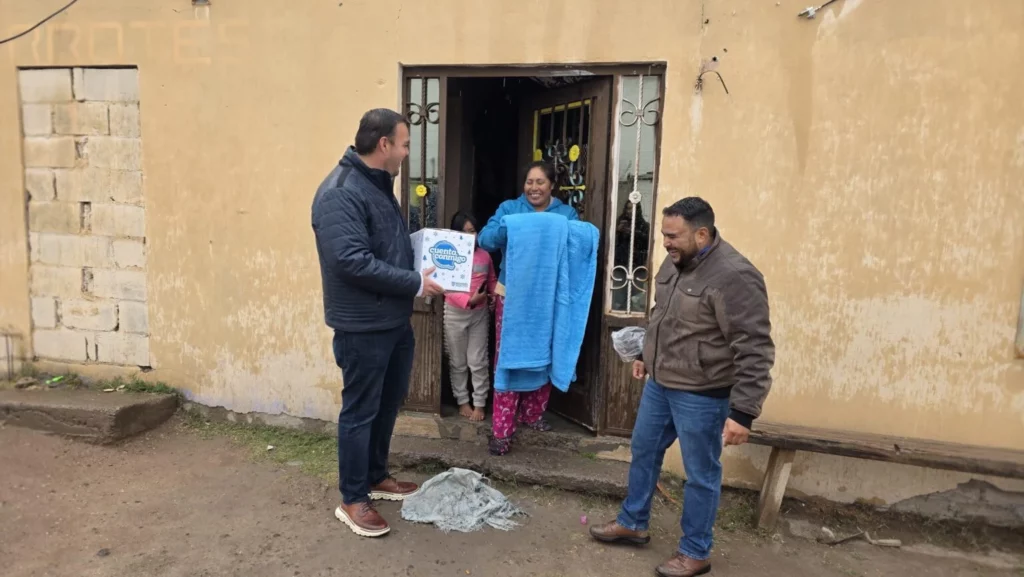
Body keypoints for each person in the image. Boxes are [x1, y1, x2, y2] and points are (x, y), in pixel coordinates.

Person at [590, 197, 775, 577]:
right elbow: (663, 316)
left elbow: (755, 347)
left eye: (673, 236)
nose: (666, 243)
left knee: (701, 473)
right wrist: (645, 352)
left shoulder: (735, 276)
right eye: (664, 235)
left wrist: (743, 412)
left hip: (703, 394)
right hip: (661, 384)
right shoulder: (675, 261)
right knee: (643, 450)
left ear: (702, 233)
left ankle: (695, 551)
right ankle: (634, 521)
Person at [311, 108, 444, 538]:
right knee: (360, 411)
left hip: (392, 321)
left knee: (387, 405)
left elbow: (381, 246)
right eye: (405, 143)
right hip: (362, 326)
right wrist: (413, 281)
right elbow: (351, 261)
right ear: (384, 144)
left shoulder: (377, 186)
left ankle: (375, 476)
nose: (407, 152)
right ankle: (352, 498)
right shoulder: (340, 192)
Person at [477, 161, 579, 456]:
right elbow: (486, 239)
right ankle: (502, 430)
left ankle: (532, 415)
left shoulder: (565, 214)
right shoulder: (511, 210)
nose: (534, 188)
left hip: (548, 298)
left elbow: (578, 244)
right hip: (513, 298)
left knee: (543, 355)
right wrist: (509, 228)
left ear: (551, 186)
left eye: (540, 182)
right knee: (507, 358)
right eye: (529, 182)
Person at [443, 211, 496, 422]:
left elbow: (491, 279)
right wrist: (468, 300)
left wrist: (492, 295)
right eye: (463, 232)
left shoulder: (485, 255)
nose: (468, 236)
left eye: (472, 231)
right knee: (457, 361)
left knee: (478, 360)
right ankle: (462, 401)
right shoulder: (448, 255)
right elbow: (444, 286)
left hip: (479, 315)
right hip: (455, 314)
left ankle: (480, 403)